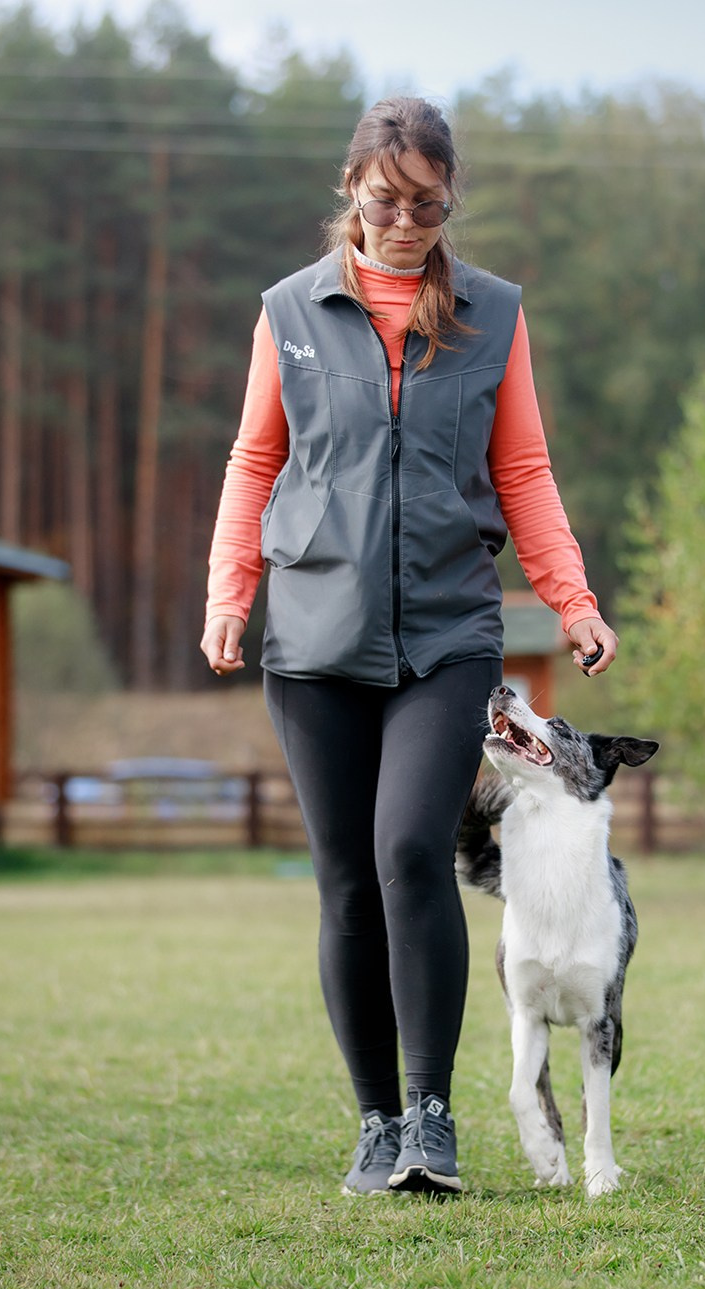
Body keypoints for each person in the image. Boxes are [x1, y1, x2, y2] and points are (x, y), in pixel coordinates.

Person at [200, 95, 617, 1197]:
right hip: (314, 636)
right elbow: (254, 463)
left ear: (448, 202)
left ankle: (431, 1117)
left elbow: (521, 470)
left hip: (446, 632)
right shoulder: (289, 311)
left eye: (426, 207)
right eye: (385, 202)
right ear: (351, 191)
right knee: (344, 878)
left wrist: (569, 600)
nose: (403, 225)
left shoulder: (489, 313)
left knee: (406, 854)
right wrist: (228, 593)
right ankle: (375, 1122)